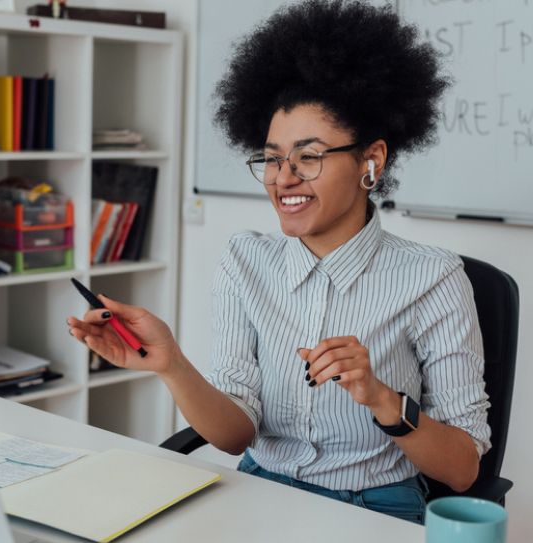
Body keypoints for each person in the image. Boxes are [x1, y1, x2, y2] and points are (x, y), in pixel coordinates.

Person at [67, 0, 490, 525]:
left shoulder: (433, 278)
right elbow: (234, 435)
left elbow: (463, 471)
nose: (282, 178)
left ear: (371, 160)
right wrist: (169, 363)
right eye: (270, 158)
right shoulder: (246, 260)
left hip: (375, 509)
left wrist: (382, 399)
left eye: (308, 157)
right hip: (259, 493)